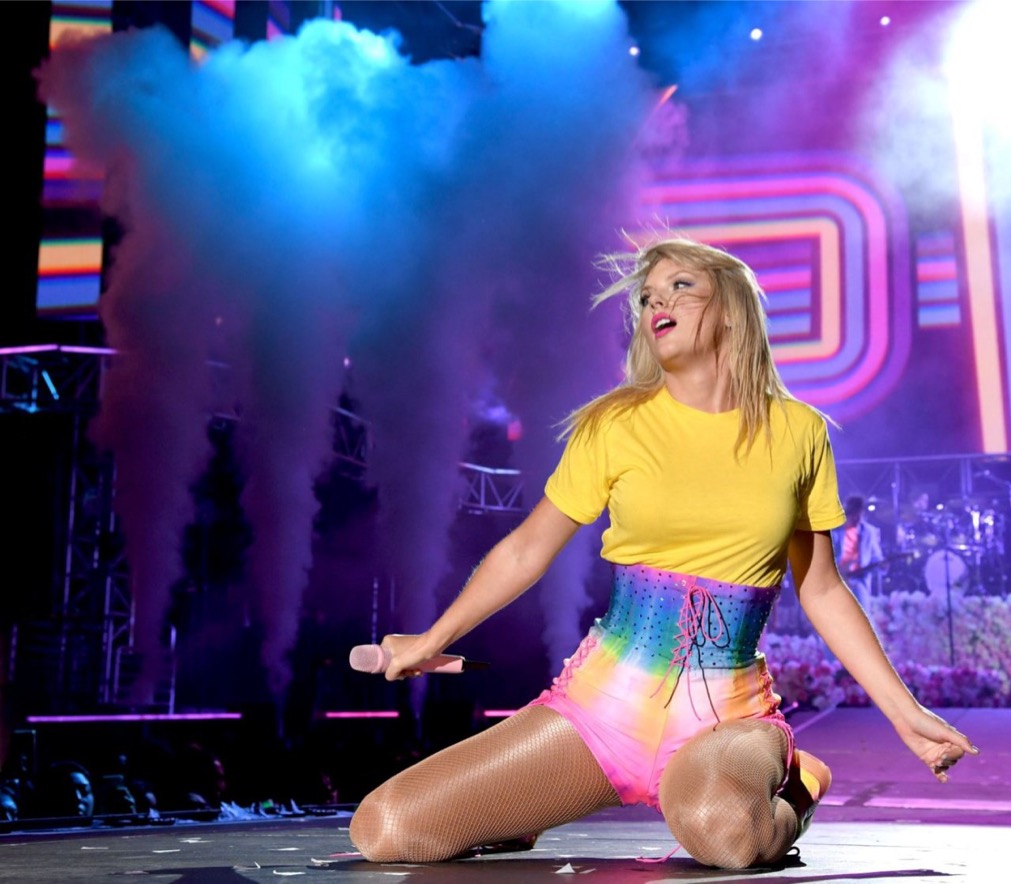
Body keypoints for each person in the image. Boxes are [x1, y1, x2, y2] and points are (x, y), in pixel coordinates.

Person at [349, 239, 977, 869]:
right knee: (387, 829)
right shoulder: (612, 425)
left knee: (724, 835)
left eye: (680, 287)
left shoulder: (799, 432)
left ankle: (800, 781)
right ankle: (521, 811)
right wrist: (431, 639)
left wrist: (906, 713)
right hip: (600, 712)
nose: (656, 303)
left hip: (724, 722)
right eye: (648, 296)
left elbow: (822, 588)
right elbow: (525, 551)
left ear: (730, 309)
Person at [837, 494, 884, 602]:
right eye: (853, 515)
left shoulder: (869, 532)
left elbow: (876, 556)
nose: (856, 519)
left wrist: (882, 565)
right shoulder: (833, 530)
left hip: (859, 580)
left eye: (859, 515)